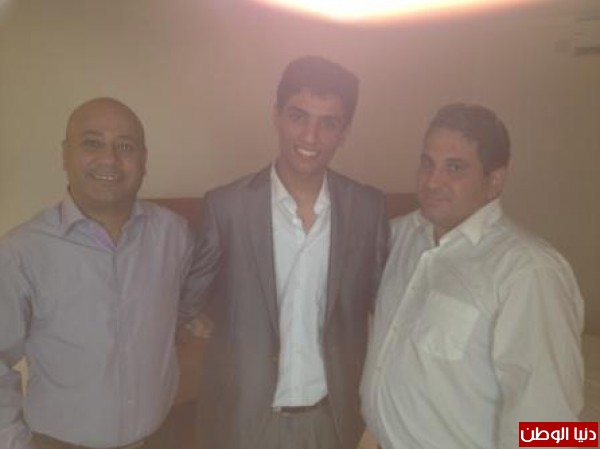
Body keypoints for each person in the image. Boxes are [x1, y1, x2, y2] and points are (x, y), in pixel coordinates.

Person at [179, 55, 389, 449]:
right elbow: (189, 305)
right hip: (245, 423)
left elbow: (387, 312)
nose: (310, 136)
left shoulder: (367, 208)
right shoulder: (227, 208)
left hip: (333, 421)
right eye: (298, 116)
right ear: (276, 115)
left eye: (328, 123)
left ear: (344, 132)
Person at [360, 102, 584, 449]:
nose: (432, 181)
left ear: (494, 181)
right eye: (427, 163)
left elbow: (553, 423)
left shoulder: (528, 271)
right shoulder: (398, 236)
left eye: (454, 168)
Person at [0, 98, 195, 449]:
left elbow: (181, 314)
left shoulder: (175, 234)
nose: (110, 159)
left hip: (162, 436)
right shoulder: (21, 252)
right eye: (92, 143)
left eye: (125, 146)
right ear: (65, 155)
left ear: (144, 159)